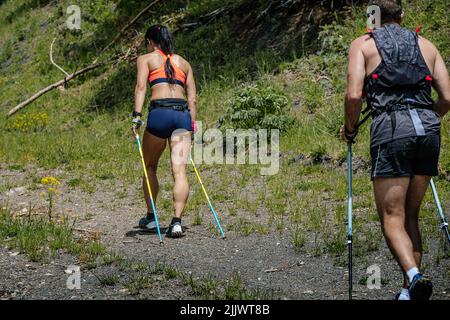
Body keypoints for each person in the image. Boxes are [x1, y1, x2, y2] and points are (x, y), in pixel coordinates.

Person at [340, 0, 450, 300]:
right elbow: (447, 97)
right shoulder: (426, 45)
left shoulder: (363, 44)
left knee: (392, 216)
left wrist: (350, 129)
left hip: (391, 130)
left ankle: (414, 277)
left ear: (371, 18)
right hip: (428, 131)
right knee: (411, 216)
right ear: (402, 16)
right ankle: (407, 292)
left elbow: (353, 95)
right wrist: (426, 119)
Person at [132, 25, 197, 238]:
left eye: (147, 42)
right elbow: (192, 99)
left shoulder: (146, 59)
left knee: (150, 166)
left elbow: (141, 87)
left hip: (159, 114)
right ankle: (177, 222)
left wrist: (137, 115)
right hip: (182, 116)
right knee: (179, 171)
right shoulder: (184, 63)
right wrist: (192, 126)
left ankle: (151, 219)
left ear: (151, 41)